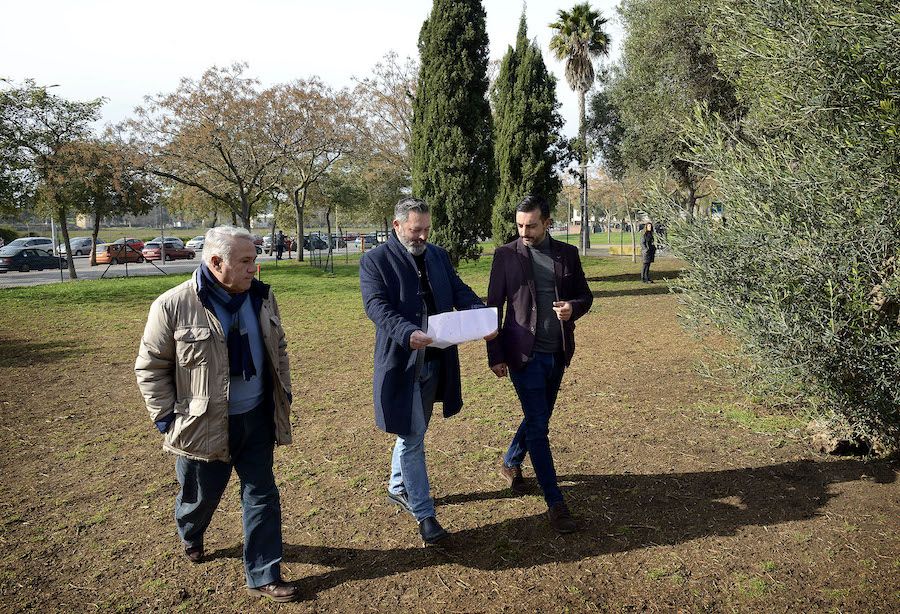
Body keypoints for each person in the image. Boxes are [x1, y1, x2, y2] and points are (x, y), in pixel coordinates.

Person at [135, 225, 300, 603]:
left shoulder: (261, 298)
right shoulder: (173, 305)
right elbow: (150, 368)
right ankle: (190, 531)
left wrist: (281, 395)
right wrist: (167, 420)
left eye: (254, 260)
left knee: (262, 495)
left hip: (257, 418)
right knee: (199, 498)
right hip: (203, 426)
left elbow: (280, 349)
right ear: (215, 262)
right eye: (245, 261)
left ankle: (263, 573)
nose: (253, 268)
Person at [359, 197, 495, 546]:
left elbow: (458, 289)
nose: (421, 237)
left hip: (436, 360)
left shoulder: (436, 255)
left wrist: (481, 314)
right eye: (415, 230)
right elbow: (377, 307)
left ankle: (396, 486)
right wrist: (407, 333)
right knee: (412, 438)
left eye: (425, 230)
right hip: (402, 361)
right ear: (397, 226)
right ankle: (425, 514)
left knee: (412, 431)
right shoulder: (374, 261)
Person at [486, 194, 593, 534]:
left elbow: (585, 296)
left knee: (539, 417)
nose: (524, 231)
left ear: (547, 222)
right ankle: (555, 502)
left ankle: (510, 462)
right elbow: (494, 307)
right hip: (522, 355)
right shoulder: (505, 255)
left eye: (531, 225)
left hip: (557, 353)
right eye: (519, 225)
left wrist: (572, 309)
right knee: (539, 425)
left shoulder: (567, 254)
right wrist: (496, 355)